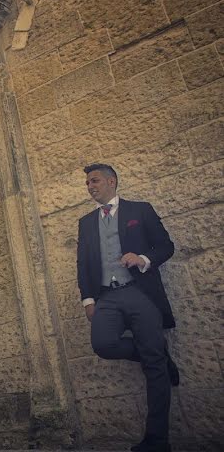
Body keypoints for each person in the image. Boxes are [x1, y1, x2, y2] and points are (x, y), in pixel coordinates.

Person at [76, 163, 179, 452]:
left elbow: (165, 246)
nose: (90, 186)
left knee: (154, 368)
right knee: (103, 344)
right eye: (87, 183)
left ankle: (157, 441)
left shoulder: (140, 210)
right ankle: (157, 354)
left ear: (111, 181)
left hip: (140, 292)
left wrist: (143, 258)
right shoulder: (85, 222)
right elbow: (83, 264)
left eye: (94, 181)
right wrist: (88, 299)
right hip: (107, 296)